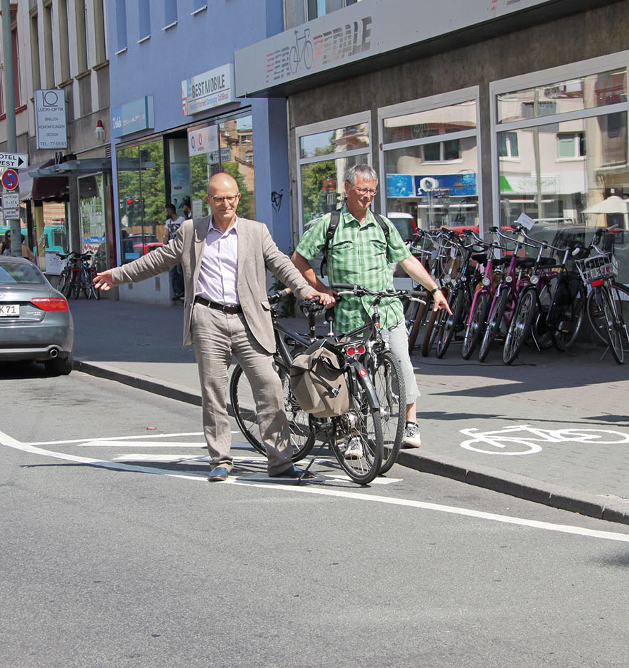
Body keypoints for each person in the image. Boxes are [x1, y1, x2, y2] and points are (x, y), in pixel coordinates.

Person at [94, 173, 335, 482]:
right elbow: (158, 260)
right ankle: (220, 460)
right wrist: (116, 275)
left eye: (231, 197)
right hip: (207, 318)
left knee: (270, 387)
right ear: (208, 201)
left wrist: (305, 291)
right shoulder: (191, 231)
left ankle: (280, 461)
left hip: (249, 319)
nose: (226, 203)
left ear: (238, 198)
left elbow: (282, 264)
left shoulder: (255, 231)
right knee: (213, 392)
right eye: (219, 198)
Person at [291, 164, 449, 450]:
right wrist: (322, 289)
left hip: (386, 310)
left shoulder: (382, 224)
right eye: (362, 190)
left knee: (401, 365)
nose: (367, 196)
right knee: (353, 374)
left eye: (372, 192)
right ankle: (355, 434)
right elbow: (299, 260)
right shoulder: (330, 224)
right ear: (347, 188)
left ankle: (410, 422)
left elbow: (407, 260)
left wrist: (434, 289)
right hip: (350, 314)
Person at [165, 203, 185, 302]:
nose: (165, 213)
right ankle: (177, 291)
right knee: (173, 271)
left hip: (180, 248)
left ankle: (183, 290)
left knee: (180, 271)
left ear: (169, 211)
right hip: (171, 248)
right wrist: (164, 245)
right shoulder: (168, 222)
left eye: (166, 211)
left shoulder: (181, 220)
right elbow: (167, 234)